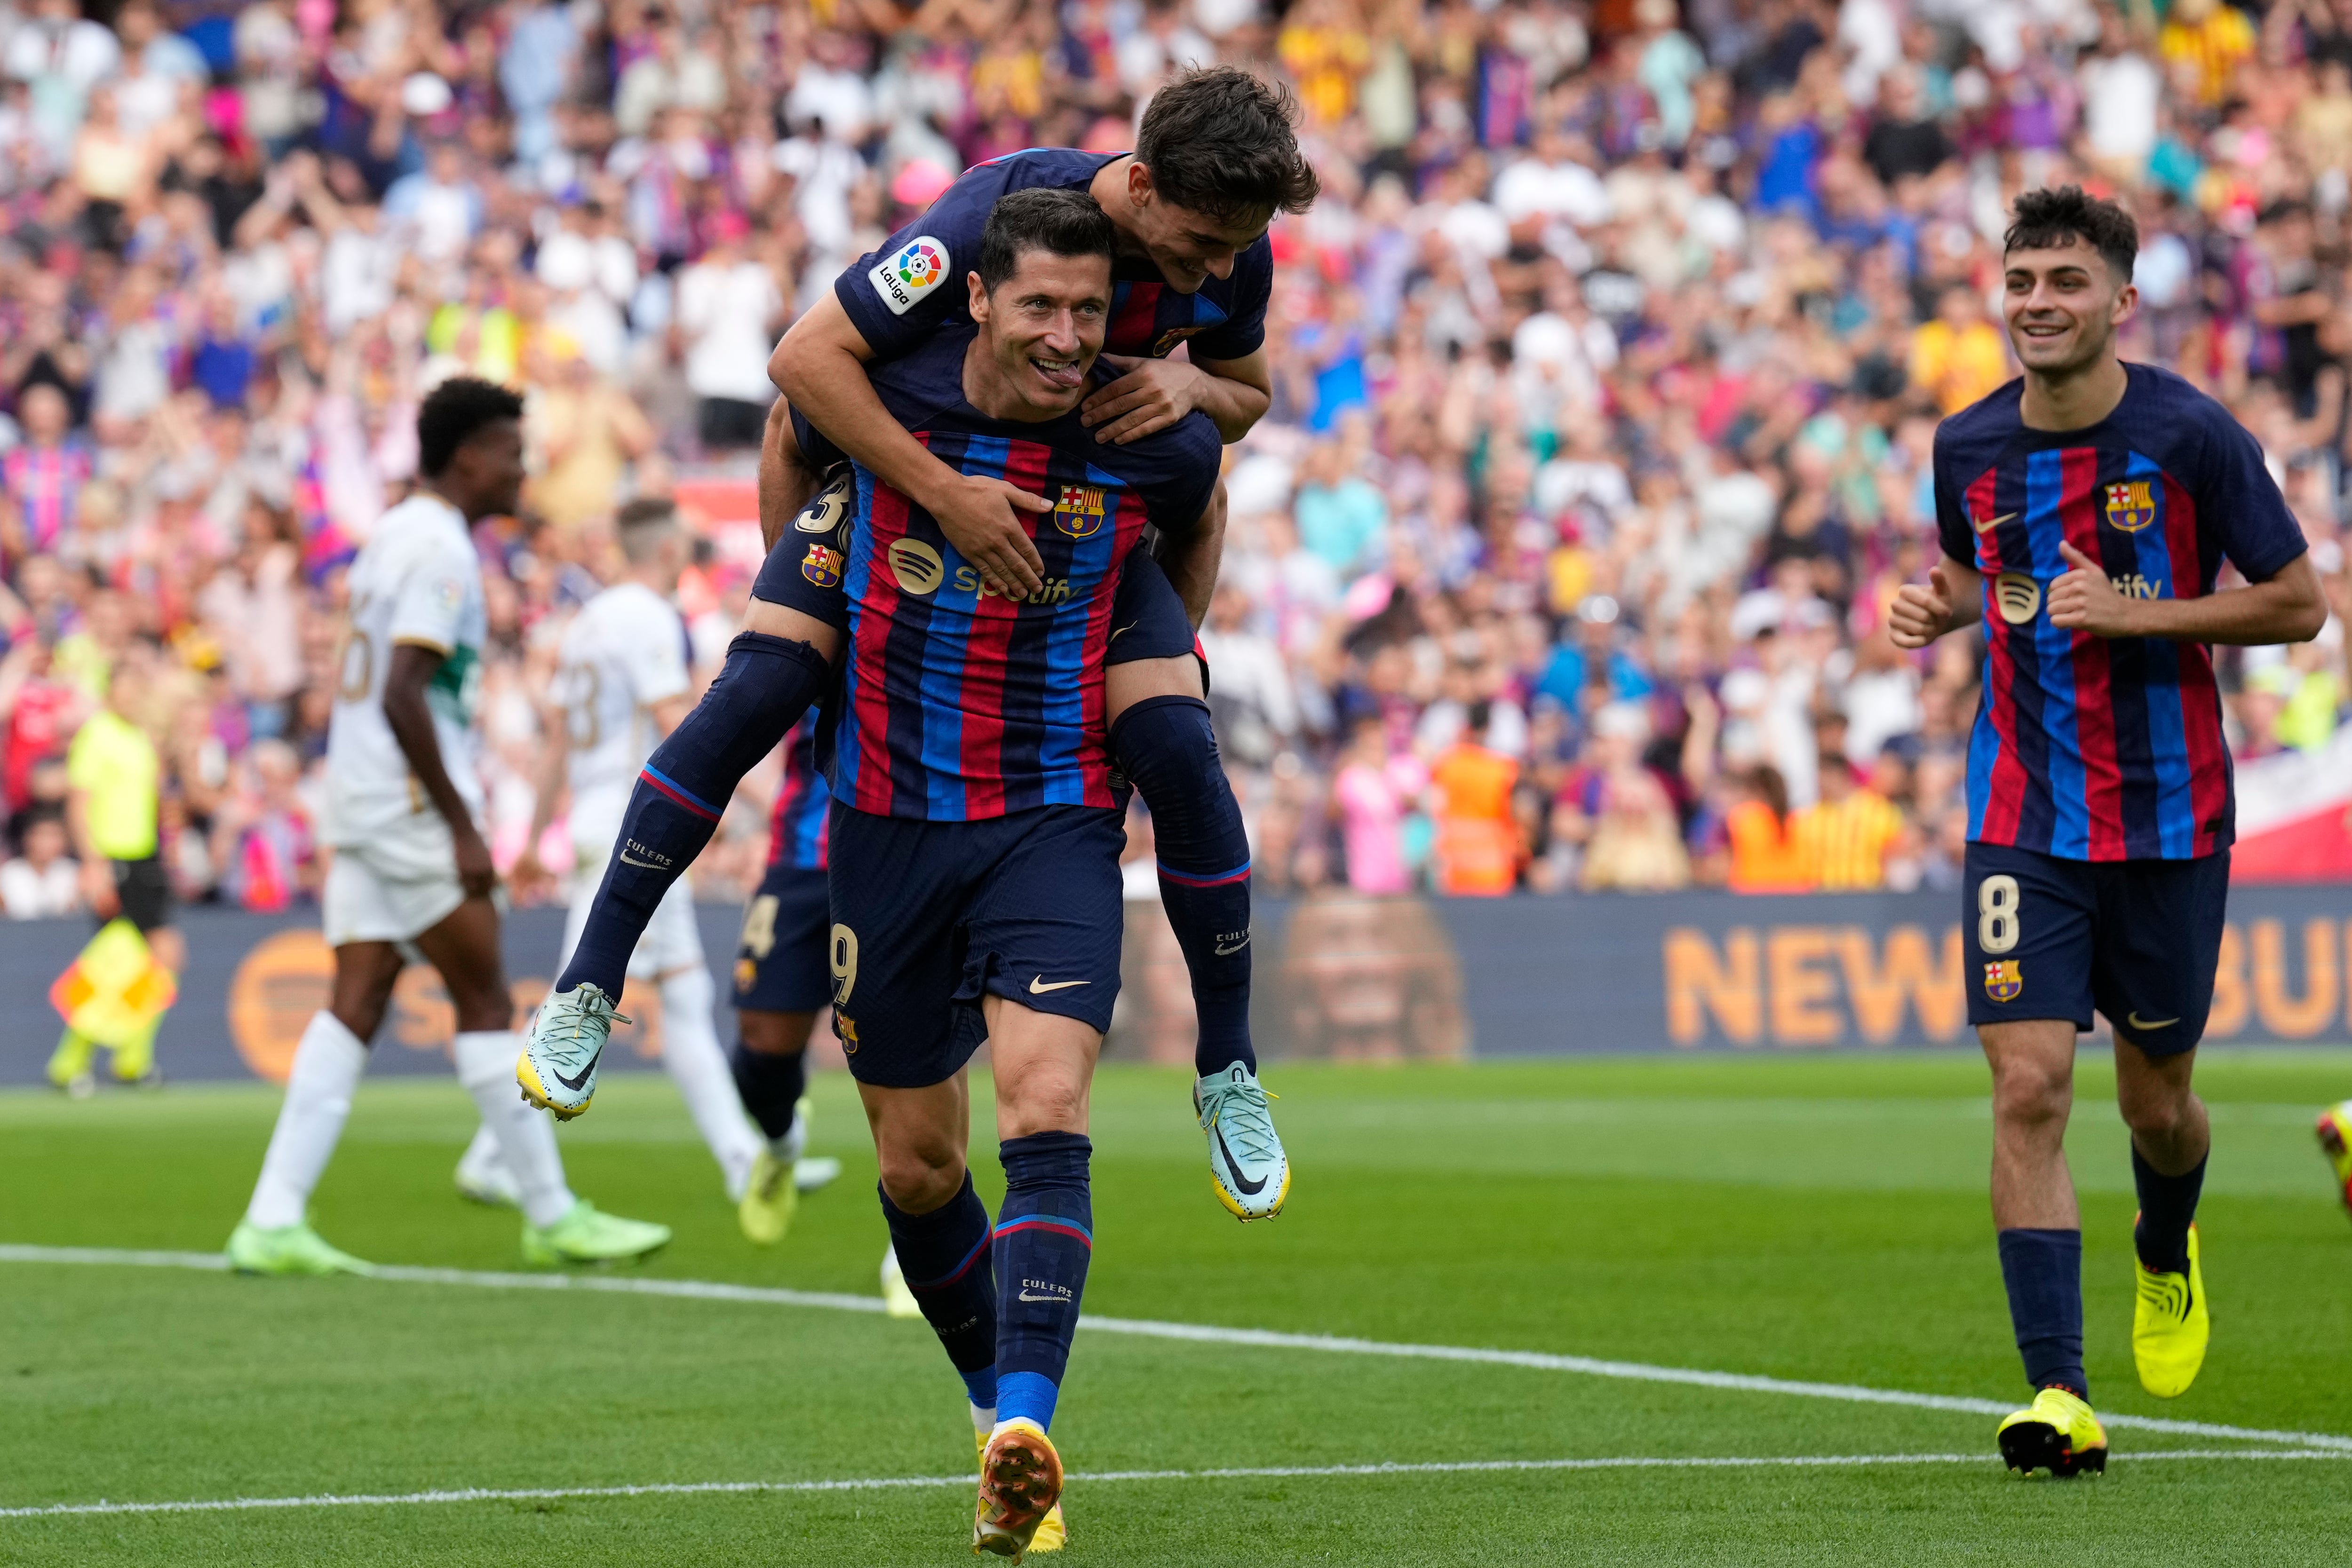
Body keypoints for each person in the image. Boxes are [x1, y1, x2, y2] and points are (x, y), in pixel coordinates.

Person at [527, 189, 1227, 1559]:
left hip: (1049, 820)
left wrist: (1162, 632)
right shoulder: (880, 408)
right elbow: (796, 394)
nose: (1069, 335)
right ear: (977, 297)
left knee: (1045, 1103)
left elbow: (1210, 465)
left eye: (1091, 310)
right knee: (914, 1165)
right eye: (1039, 305)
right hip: (881, 823)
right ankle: (976, 1393)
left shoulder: (1138, 423)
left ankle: (1027, 1422)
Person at [530, 70, 1315, 1220]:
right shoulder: (984, 222)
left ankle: (1229, 1071)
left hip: (1077, 516)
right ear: (1140, 187)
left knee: (1180, 752)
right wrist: (930, 503)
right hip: (901, 496)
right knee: (757, 695)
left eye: (1233, 250)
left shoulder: (1231, 249)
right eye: (1196, 244)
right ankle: (589, 985)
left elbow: (1244, 401)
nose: (1211, 272)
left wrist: (1188, 384)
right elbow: (802, 371)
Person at [1889, 187, 2327, 1478]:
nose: (2038, 301)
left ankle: (2164, 1238)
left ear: (2120, 301)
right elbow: (1988, 567)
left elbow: (2299, 603)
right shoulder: (1967, 447)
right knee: (2029, 1084)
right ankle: (2060, 1391)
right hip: (2023, 810)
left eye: (2065, 281)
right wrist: (1945, 607)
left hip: (2173, 815)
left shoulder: (2192, 436)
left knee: (2162, 1105)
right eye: (2021, 279)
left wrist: (2136, 616)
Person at [225, 378, 672, 1277]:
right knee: (479, 995)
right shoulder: (439, 547)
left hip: (357, 794)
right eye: (513, 451)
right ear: (468, 455)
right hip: (408, 805)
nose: (524, 467)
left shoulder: (394, 532)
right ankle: (551, 1212)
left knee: (355, 1001)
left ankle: (271, 1217)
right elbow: (404, 689)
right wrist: (466, 826)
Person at [498, 497, 837, 1243]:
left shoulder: (585, 621)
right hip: (642, 826)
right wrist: (753, 807)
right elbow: (683, 729)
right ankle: (504, 1158)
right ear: (666, 552)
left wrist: (532, 834)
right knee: (575, 1001)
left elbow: (558, 737)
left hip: (597, 816)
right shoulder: (647, 616)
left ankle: (742, 1155)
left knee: (683, 998)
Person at [50, 647, 179, 1089]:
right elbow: (79, 803)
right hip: (113, 858)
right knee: (114, 964)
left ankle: (130, 1057)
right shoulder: (97, 735)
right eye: (125, 688)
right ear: (109, 692)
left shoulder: (141, 739)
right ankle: (75, 1060)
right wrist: (93, 863)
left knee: (156, 959)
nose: (132, 697)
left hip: (144, 858)